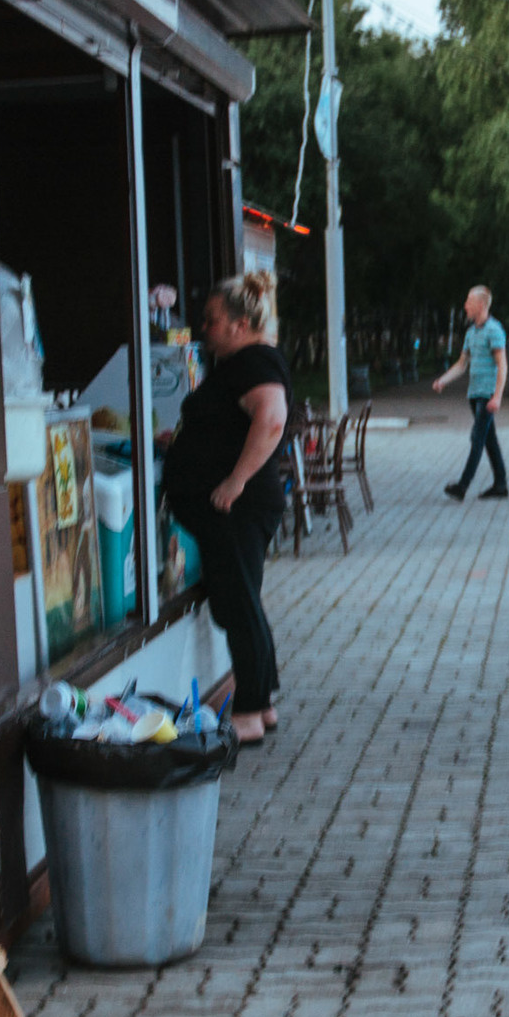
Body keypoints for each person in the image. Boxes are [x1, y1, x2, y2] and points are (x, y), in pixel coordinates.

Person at [159, 273, 291, 745]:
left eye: (212, 320)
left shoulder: (253, 362)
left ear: (239, 324)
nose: (204, 328)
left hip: (238, 507)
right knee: (242, 602)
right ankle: (263, 702)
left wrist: (235, 481)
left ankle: (251, 713)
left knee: (239, 604)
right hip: (236, 506)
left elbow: (272, 419)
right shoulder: (244, 363)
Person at [433, 285, 509, 501]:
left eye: (469, 301)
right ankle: (501, 484)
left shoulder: (494, 330)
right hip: (474, 394)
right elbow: (462, 364)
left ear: (481, 305)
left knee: (478, 438)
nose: (465, 305)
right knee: (489, 439)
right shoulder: (471, 332)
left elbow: (502, 365)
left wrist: (497, 396)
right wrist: (443, 380)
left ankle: (462, 486)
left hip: (487, 395)